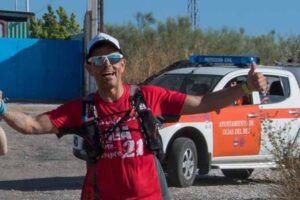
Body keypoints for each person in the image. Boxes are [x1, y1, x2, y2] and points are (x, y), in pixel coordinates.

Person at [0, 32, 267, 200]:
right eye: (97, 60)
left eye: (112, 57)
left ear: (123, 64)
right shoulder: (81, 109)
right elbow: (33, 125)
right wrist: (1, 109)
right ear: (89, 69)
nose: (106, 64)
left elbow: (204, 102)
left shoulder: (148, 97)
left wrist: (245, 87)